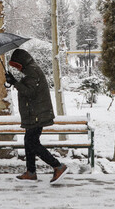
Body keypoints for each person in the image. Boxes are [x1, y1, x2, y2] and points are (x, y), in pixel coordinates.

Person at [4, 48, 68, 184]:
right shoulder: (30, 70)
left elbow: (30, 92)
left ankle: (58, 166)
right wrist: (15, 81)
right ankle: (31, 172)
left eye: (16, 65)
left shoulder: (32, 71)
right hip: (34, 114)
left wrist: (15, 82)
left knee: (32, 142)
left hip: (37, 114)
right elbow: (29, 88)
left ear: (21, 62)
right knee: (29, 142)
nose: (17, 69)